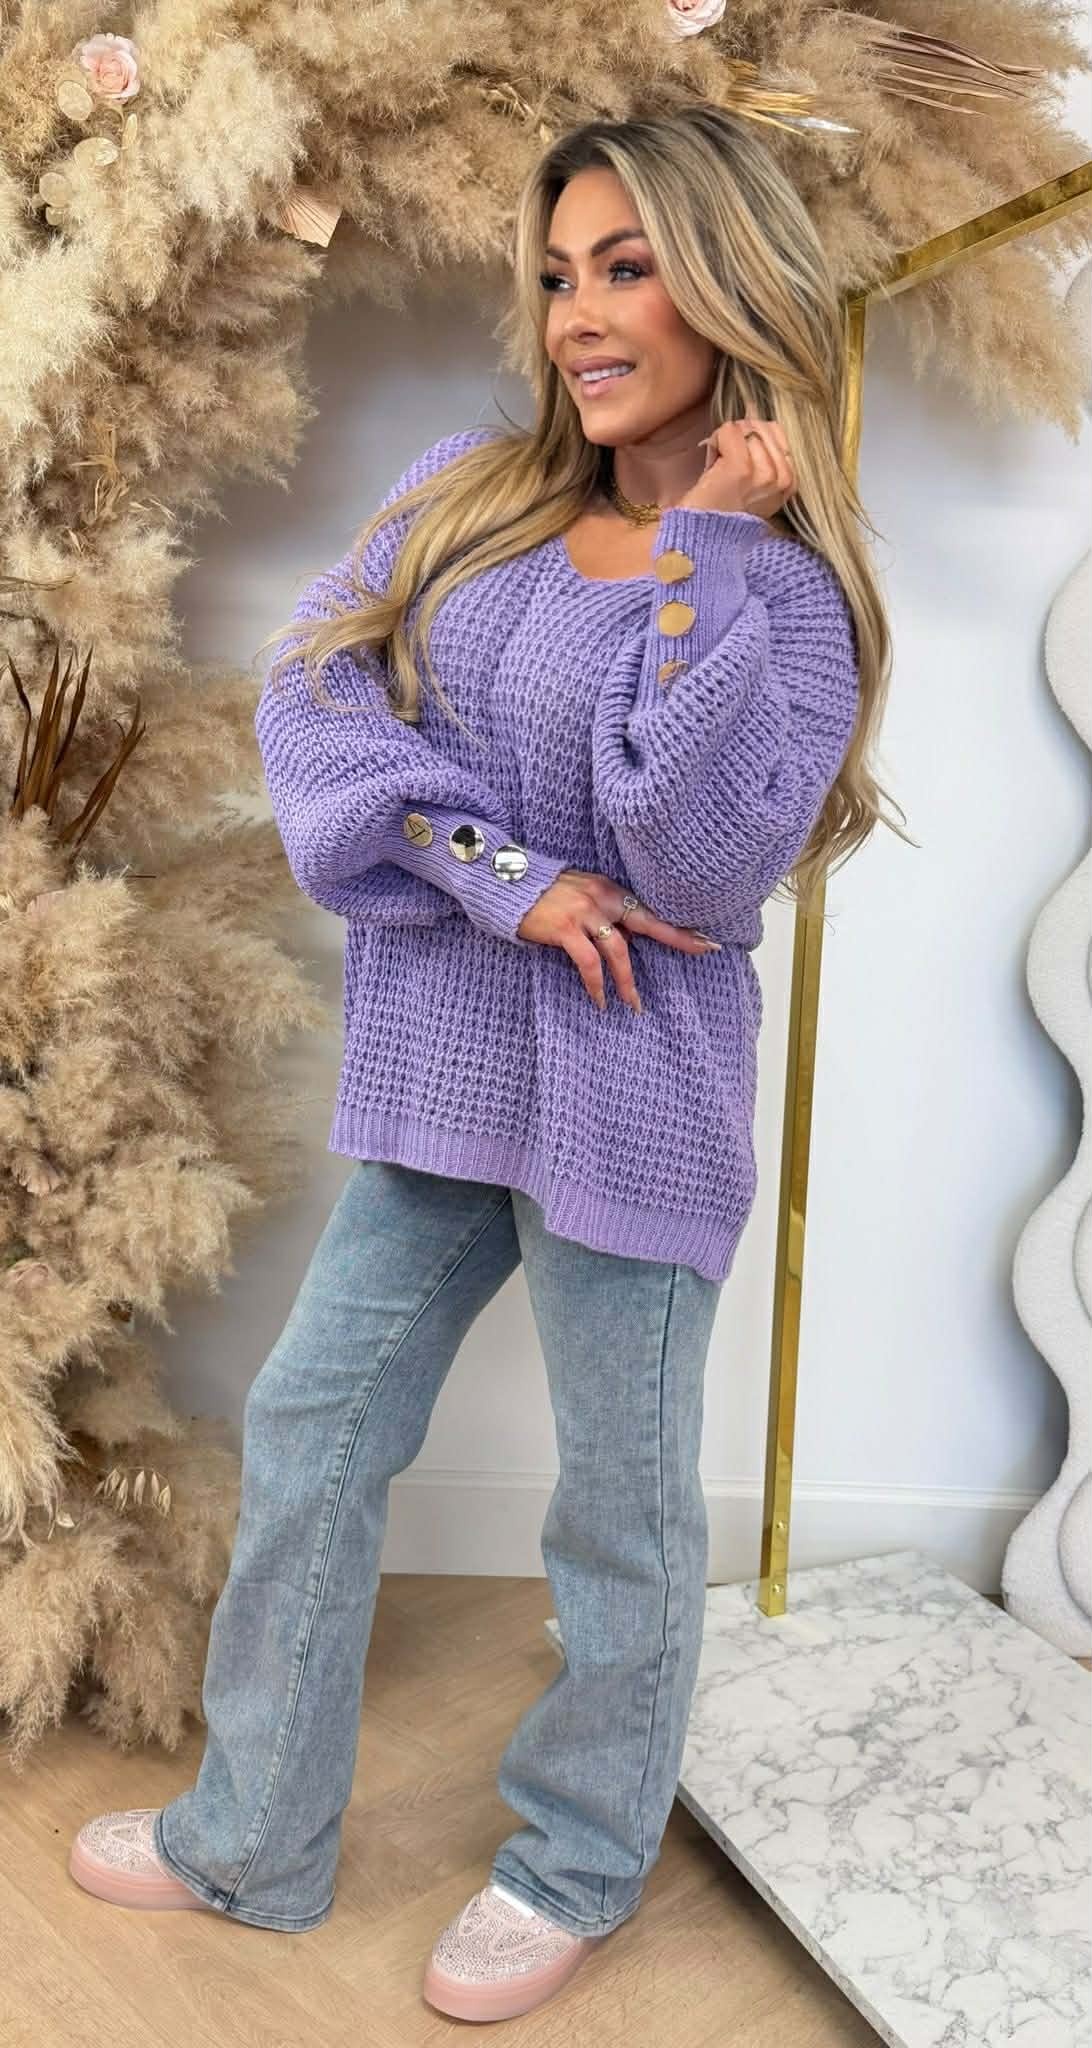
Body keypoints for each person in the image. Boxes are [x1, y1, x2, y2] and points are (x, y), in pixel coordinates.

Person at [69, 102, 895, 2025]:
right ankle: (250, 1835)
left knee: (619, 1512)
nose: (579, 316)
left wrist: (704, 556)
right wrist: (502, 877)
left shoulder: (789, 599)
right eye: (558, 275)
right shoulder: (465, 498)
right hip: (448, 1069)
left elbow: (698, 858)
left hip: (636, 1102)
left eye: (628, 269)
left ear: (732, 283)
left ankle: (577, 1863)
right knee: (312, 1427)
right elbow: (314, 701)